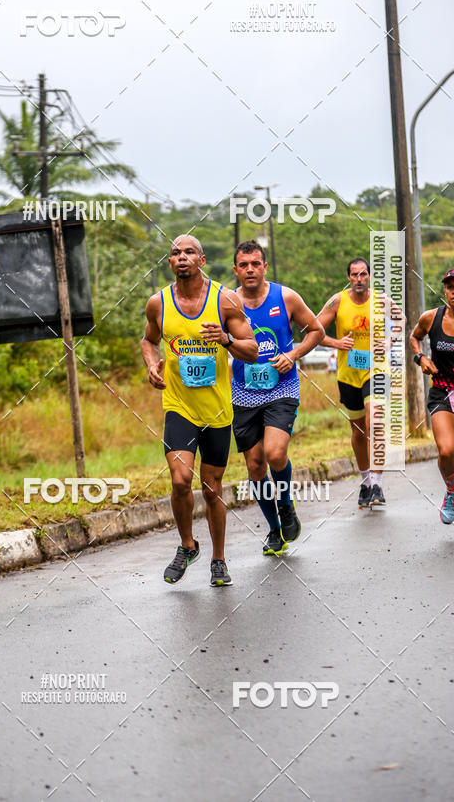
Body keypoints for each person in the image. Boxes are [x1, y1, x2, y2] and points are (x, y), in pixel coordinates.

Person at [141, 234, 258, 586]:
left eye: (189, 252)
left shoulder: (225, 300)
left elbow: (251, 350)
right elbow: (149, 340)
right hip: (179, 405)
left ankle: (218, 559)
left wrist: (227, 340)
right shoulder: (158, 303)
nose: (181, 257)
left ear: (202, 260)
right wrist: (151, 364)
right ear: (170, 262)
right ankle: (187, 545)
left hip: (218, 410)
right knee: (180, 480)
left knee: (211, 488)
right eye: (175, 253)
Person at [231, 241, 325, 555]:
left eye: (255, 263)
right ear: (235, 270)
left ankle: (285, 506)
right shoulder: (227, 302)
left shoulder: (285, 297)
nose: (250, 270)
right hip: (243, 393)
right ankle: (275, 529)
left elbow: (317, 330)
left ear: (265, 267)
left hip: (281, 389)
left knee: (274, 453)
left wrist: (293, 353)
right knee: (255, 466)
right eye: (243, 265)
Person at [318, 258, 392, 509]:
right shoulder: (338, 301)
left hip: (376, 371)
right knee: (359, 431)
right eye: (354, 274)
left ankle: (378, 482)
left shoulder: (381, 300)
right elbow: (314, 329)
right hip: (348, 374)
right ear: (348, 277)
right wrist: (336, 343)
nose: (359, 278)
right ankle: (365, 481)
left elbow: (400, 320)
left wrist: (390, 341)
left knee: (375, 422)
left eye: (363, 274)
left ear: (369, 276)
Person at [410, 267, 454, 538]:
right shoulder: (431, 318)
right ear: (445, 291)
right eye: (450, 287)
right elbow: (414, 337)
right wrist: (421, 358)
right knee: (447, 450)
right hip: (443, 394)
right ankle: (452, 491)